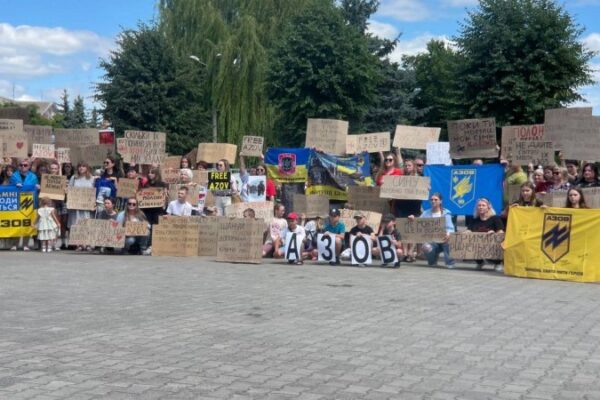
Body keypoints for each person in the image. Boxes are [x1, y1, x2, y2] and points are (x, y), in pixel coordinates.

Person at [409, 193, 455, 268]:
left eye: (436, 200)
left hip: (444, 240)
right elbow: (418, 223)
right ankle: (432, 261)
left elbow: (450, 227)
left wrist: (448, 233)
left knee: (449, 241)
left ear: (440, 201)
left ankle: (450, 263)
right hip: (432, 241)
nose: (433, 201)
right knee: (425, 246)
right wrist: (413, 219)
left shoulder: (446, 213)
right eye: (432, 200)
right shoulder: (425, 213)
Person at [467, 198, 504, 271]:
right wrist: (466, 232)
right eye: (479, 205)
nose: (481, 207)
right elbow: (469, 230)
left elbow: (501, 232)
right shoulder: (474, 219)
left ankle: (497, 263)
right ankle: (480, 262)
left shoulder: (495, 218)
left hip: (492, 245)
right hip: (478, 244)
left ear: (488, 207)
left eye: (483, 205)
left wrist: (494, 233)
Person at [68, 162, 96, 251]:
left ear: (87, 168)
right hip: (76, 206)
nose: (81, 168)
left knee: (87, 224)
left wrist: (93, 203)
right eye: (79, 166)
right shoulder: (74, 178)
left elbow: (94, 190)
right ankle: (79, 244)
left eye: (83, 166)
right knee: (76, 224)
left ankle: (87, 243)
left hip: (87, 206)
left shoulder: (92, 178)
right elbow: (69, 189)